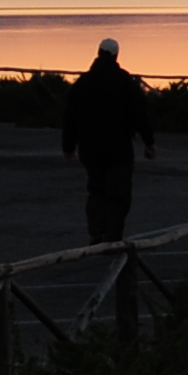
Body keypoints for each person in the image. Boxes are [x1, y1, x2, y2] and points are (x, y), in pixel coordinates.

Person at [61, 36, 155, 242]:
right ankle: (113, 234)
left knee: (96, 190)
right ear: (116, 56)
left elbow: (70, 116)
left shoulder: (83, 83)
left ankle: (96, 232)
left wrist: (68, 146)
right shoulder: (125, 82)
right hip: (119, 148)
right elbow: (140, 114)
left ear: (98, 53)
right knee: (118, 193)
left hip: (90, 148)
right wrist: (149, 142)